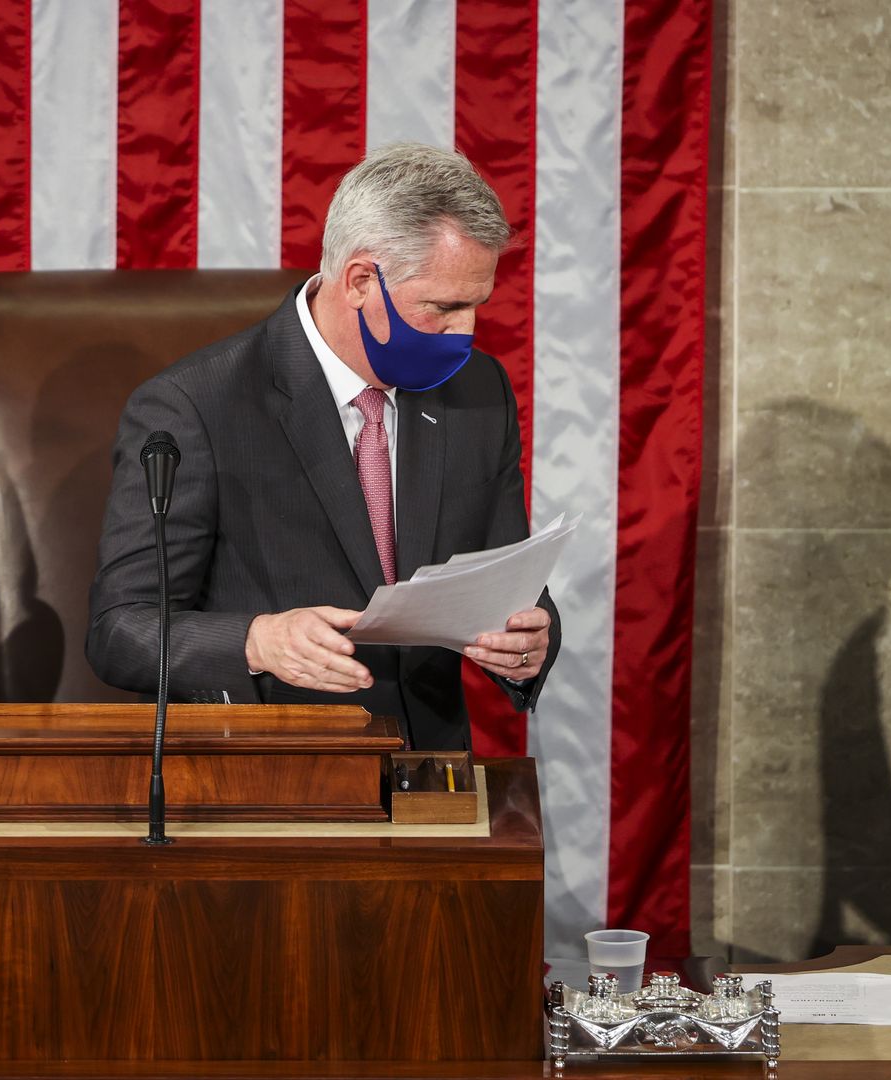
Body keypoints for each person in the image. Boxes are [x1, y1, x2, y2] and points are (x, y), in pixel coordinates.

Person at [86, 143, 559, 751]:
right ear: (362, 280)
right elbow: (120, 629)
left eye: (475, 306)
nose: (466, 332)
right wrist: (256, 640)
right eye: (444, 308)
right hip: (276, 779)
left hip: (430, 779)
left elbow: (506, 576)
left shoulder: (478, 392)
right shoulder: (194, 406)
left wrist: (527, 639)